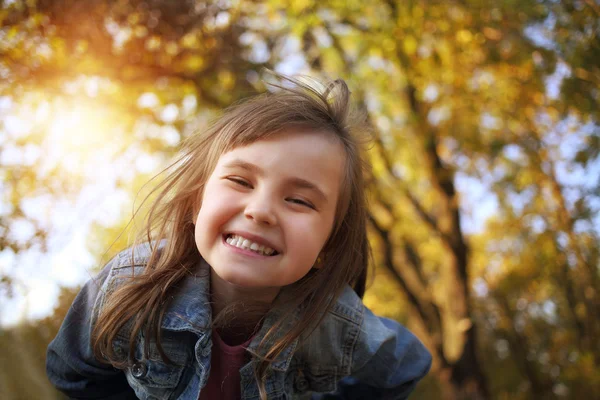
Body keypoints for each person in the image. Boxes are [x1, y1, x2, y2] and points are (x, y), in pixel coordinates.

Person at [46, 74, 432, 400]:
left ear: (328, 245)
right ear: (197, 202)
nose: (260, 211)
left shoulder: (336, 325)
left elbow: (406, 367)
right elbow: (72, 370)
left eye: (298, 200)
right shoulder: (130, 284)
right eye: (240, 180)